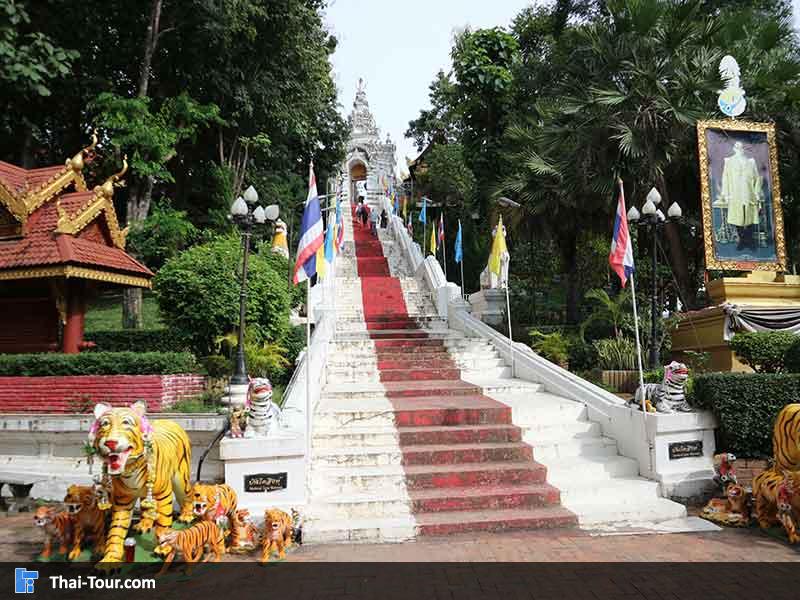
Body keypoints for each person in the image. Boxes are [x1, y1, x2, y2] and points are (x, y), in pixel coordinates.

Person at [721, 141, 763, 251]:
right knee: (737, 218)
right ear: (734, 148)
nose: (740, 149)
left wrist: (756, 193)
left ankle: (749, 241)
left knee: (750, 218)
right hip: (735, 194)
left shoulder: (751, 162)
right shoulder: (728, 161)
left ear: (744, 149)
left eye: (742, 147)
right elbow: (725, 178)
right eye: (738, 147)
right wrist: (726, 194)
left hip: (749, 193)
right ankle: (743, 241)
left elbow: (757, 178)